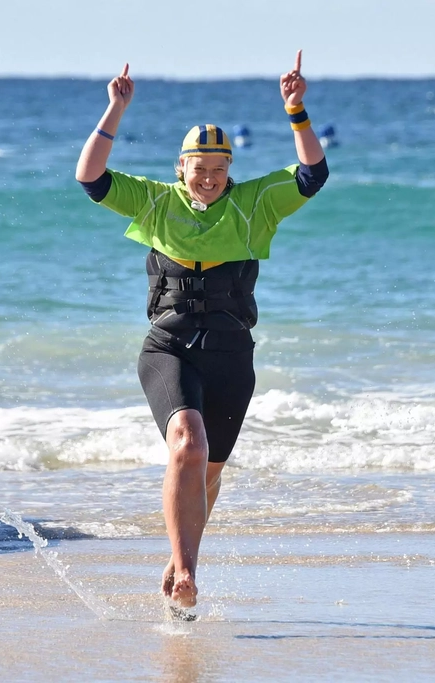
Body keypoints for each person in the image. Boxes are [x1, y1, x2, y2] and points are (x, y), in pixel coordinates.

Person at [74, 51, 329, 610]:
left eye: (218, 170)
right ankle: (189, 571)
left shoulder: (255, 203)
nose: (209, 179)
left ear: (229, 170)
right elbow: (89, 176)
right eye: (199, 168)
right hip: (168, 346)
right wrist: (114, 109)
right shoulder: (156, 201)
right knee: (187, 443)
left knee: (208, 475)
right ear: (181, 167)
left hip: (232, 353)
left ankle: (177, 559)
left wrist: (296, 111)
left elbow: (313, 174)